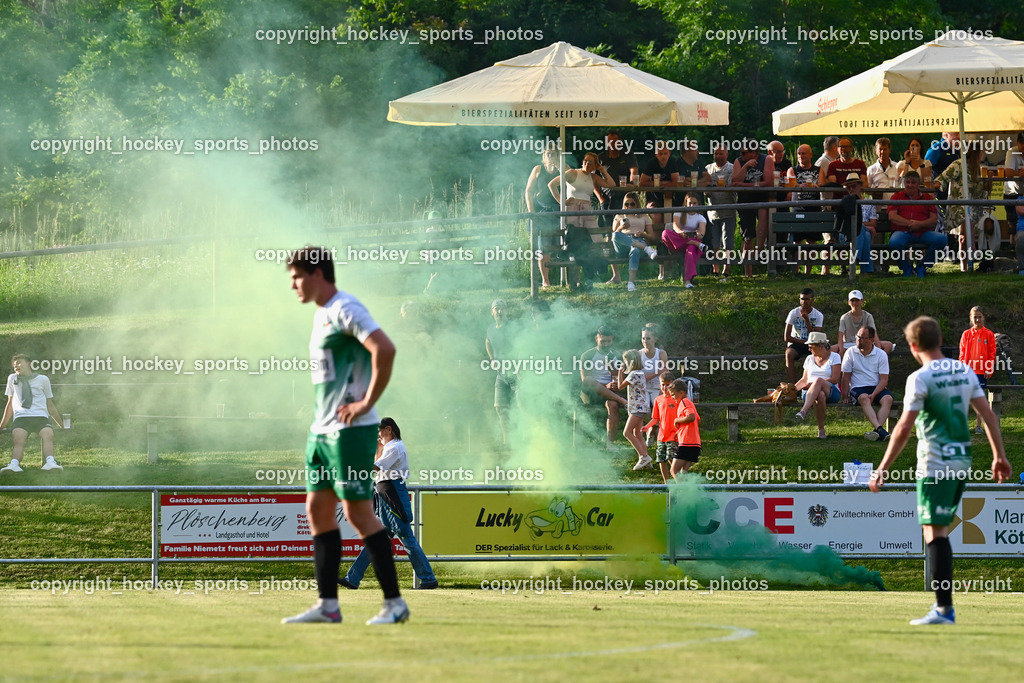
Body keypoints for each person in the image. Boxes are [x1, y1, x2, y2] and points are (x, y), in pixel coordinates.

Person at [281, 246, 408, 625]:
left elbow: (384, 348)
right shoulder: (321, 315)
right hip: (321, 432)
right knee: (318, 510)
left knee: (357, 512)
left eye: (296, 277)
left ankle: (394, 603)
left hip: (351, 431)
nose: (292, 285)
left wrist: (366, 401)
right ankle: (328, 606)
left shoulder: (344, 307)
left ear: (318, 273)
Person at [869, 316, 1011, 626]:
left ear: (913, 345)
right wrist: (999, 456)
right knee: (939, 530)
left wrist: (881, 468)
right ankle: (943, 607)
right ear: (939, 339)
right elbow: (988, 416)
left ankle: (944, 609)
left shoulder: (920, 378)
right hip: (962, 461)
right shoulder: (964, 370)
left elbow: (904, 427)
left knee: (934, 532)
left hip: (935, 463)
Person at [339, 417, 437, 591]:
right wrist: (377, 448)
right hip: (386, 494)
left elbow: (375, 467)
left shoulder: (395, 447)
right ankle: (353, 579)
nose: (378, 434)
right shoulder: (390, 447)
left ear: (389, 429)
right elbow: (378, 464)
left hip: (392, 494)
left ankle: (428, 578)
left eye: (379, 431)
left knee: (407, 538)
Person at [0, 353, 66, 473]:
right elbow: (9, 404)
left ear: (28, 364)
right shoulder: (12, 378)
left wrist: (61, 424)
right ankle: (14, 465)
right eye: (14, 366)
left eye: (19, 363)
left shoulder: (43, 379)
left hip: (40, 416)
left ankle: (50, 462)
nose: (16, 367)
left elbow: (49, 404)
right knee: (18, 438)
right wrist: (2, 426)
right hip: (22, 416)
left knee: (48, 434)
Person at [936, 148, 987, 271]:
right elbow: (941, 179)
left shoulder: (980, 169)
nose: (983, 155)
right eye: (982, 152)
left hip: (974, 208)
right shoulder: (959, 164)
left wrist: (988, 182)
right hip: (958, 206)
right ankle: (970, 253)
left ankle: (966, 265)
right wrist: (932, 189)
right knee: (965, 224)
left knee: (964, 234)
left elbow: (982, 193)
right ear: (977, 153)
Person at [840, 326, 894, 443]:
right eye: (858, 337)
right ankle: (880, 430)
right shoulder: (850, 352)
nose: (859, 340)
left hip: (876, 387)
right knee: (864, 398)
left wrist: (874, 394)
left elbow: (884, 380)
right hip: (857, 387)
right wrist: (845, 396)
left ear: (871, 339)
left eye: (863, 338)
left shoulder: (881, 354)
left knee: (888, 399)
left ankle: (876, 432)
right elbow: (845, 377)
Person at [886, 171, 943, 277]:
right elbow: (892, 216)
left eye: (913, 182)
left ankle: (922, 266)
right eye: (907, 182)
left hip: (923, 232)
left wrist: (920, 224)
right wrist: (909, 223)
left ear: (918, 184)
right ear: (904, 183)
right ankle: (906, 268)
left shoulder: (927, 198)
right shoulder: (897, 196)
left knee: (942, 239)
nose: (910, 185)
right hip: (902, 231)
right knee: (894, 242)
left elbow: (934, 219)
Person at [579, 326, 628, 450]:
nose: (606, 344)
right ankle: (624, 401)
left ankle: (609, 444)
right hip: (591, 393)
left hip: (610, 393)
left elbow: (618, 377)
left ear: (612, 340)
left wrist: (616, 383)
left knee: (613, 405)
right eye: (603, 341)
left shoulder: (616, 355)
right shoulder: (588, 355)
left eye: (609, 341)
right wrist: (605, 386)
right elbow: (585, 380)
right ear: (597, 339)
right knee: (590, 380)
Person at [732, 140, 774, 277]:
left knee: (763, 215)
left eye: (744, 153)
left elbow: (768, 182)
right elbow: (734, 181)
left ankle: (759, 250)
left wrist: (744, 185)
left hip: (761, 197)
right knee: (747, 235)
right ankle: (748, 273)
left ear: (754, 153)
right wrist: (745, 167)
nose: (741, 155)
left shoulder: (766, 159)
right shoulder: (739, 161)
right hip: (745, 199)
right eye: (741, 153)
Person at [525, 143, 564, 287]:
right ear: (544, 155)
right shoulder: (538, 169)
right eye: (547, 153)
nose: (550, 156)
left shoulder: (563, 169)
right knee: (543, 246)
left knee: (563, 245)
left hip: (560, 211)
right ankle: (545, 281)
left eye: (553, 153)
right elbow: (528, 191)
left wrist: (559, 167)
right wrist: (531, 211)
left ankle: (571, 279)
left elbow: (570, 184)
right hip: (541, 212)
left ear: (558, 155)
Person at [793, 332, 841, 439]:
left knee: (818, 381)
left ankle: (803, 411)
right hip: (810, 393)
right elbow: (804, 380)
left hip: (831, 391)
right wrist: (792, 389)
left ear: (820, 346)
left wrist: (815, 383)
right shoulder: (809, 359)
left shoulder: (835, 357)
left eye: (811, 347)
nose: (809, 350)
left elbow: (835, 379)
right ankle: (821, 430)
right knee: (820, 395)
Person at [959, 306, 996, 434]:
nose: (977, 319)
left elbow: (992, 354)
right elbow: (962, 354)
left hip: (981, 373)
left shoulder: (989, 334)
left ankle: (978, 426)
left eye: (979, 317)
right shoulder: (966, 334)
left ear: (983, 317)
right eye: (975, 317)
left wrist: (988, 368)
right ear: (971, 318)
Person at [610, 192, 657, 291]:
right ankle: (646, 248)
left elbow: (652, 236)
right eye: (626, 204)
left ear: (637, 204)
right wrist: (621, 227)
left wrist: (642, 234)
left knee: (635, 250)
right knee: (615, 235)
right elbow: (614, 235)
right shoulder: (619, 215)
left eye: (632, 204)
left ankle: (631, 283)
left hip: (638, 239)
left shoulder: (643, 216)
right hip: (623, 244)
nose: (629, 207)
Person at [485, 299, 516, 446]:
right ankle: (506, 442)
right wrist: (491, 358)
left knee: (522, 409)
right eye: (496, 308)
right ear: (492, 312)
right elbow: (487, 342)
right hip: (501, 375)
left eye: (502, 308)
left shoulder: (513, 327)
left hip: (517, 375)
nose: (499, 311)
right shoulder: (491, 329)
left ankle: (525, 440)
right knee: (500, 408)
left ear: (507, 311)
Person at [704, 146, 736, 279]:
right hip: (712, 211)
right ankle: (715, 269)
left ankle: (726, 270)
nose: (718, 156)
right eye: (716, 154)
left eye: (721, 154)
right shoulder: (708, 168)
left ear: (727, 155)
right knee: (714, 241)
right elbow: (704, 186)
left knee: (727, 242)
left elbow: (734, 186)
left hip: (728, 209)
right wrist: (706, 191)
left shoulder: (732, 168)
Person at [618, 349, 652, 470]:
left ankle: (643, 456)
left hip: (637, 408)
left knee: (626, 433)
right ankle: (646, 461)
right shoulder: (640, 373)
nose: (624, 363)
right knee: (637, 433)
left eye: (625, 361)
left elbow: (620, 386)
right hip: (640, 407)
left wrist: (620, 372)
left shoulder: (634, 374)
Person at [642, 371, 678, 483]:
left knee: (671, 459)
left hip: (674, 436)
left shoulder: (677, 399)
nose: (665, 387)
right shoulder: (658, 400)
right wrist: (647, 426)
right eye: (663, 384)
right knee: (661, 460)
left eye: (668, 385)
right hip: (661, 437)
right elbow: (655, 418)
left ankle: (679, 483)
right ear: (659, 385)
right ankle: (666, 484)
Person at [835, 290, 894, 358]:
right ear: (849, 302)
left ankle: (878, 359)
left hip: (866, 341)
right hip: (848, 344)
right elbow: (840, 336)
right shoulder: (844, 317)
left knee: (888, 345)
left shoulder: (868, 316)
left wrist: (879, 349)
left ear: (862, 301)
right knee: (832, 349)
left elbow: (874, 333)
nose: (855, 303)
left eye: (857, 300)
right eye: (852, 301)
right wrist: (841, 349)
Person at [784, 288, 824, 384]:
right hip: (796, 342)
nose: (804, 302)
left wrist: (807, 320)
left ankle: (814, 384)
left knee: (820, 354)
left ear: (812, 300)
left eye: (807, 299)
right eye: (802, 299)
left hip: (812, 343)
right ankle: (793, 387)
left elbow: (815, 336)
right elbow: (786, 337)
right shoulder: (793, 313)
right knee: (789, 354)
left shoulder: (818, 315)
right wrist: (803, 342)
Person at [667, 192, 706, 288]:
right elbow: (675, 225)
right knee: (665, 233)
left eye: (694, 203)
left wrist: (699, 234)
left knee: (691, 250)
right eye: (690, 203)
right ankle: (693, 243)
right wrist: (680, 232)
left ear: (698, 204)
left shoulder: (700, 217)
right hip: (678, 240)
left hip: (693, 241)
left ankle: (688, 281)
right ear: (685, 203)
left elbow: (702, 231)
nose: (692, 205)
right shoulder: (679, 212)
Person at [669, 378, 700, 477]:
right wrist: (680, 431)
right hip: (695, 443)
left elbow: (691, 417)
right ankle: (689, 491)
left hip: (686, 443)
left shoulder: (684, 402)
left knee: (674, 471)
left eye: (673, 394)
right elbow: (698, 420)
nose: (672, 397)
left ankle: (683, 492)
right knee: (683, 473)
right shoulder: (690, 403)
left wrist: (676, 420)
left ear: (681, 392)